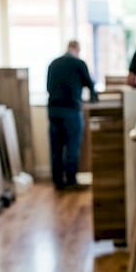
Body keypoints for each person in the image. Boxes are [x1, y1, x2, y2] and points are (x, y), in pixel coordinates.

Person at [46, 39, 96, 189]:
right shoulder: (78, 63)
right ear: (77, 49)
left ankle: (57, 181)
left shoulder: (53, 63)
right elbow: (90, 84)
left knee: (56, 148)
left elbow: (48, 87)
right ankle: (71, 180)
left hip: (54, 111)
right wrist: (94, 98)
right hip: (71, 110)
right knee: (72, 147)